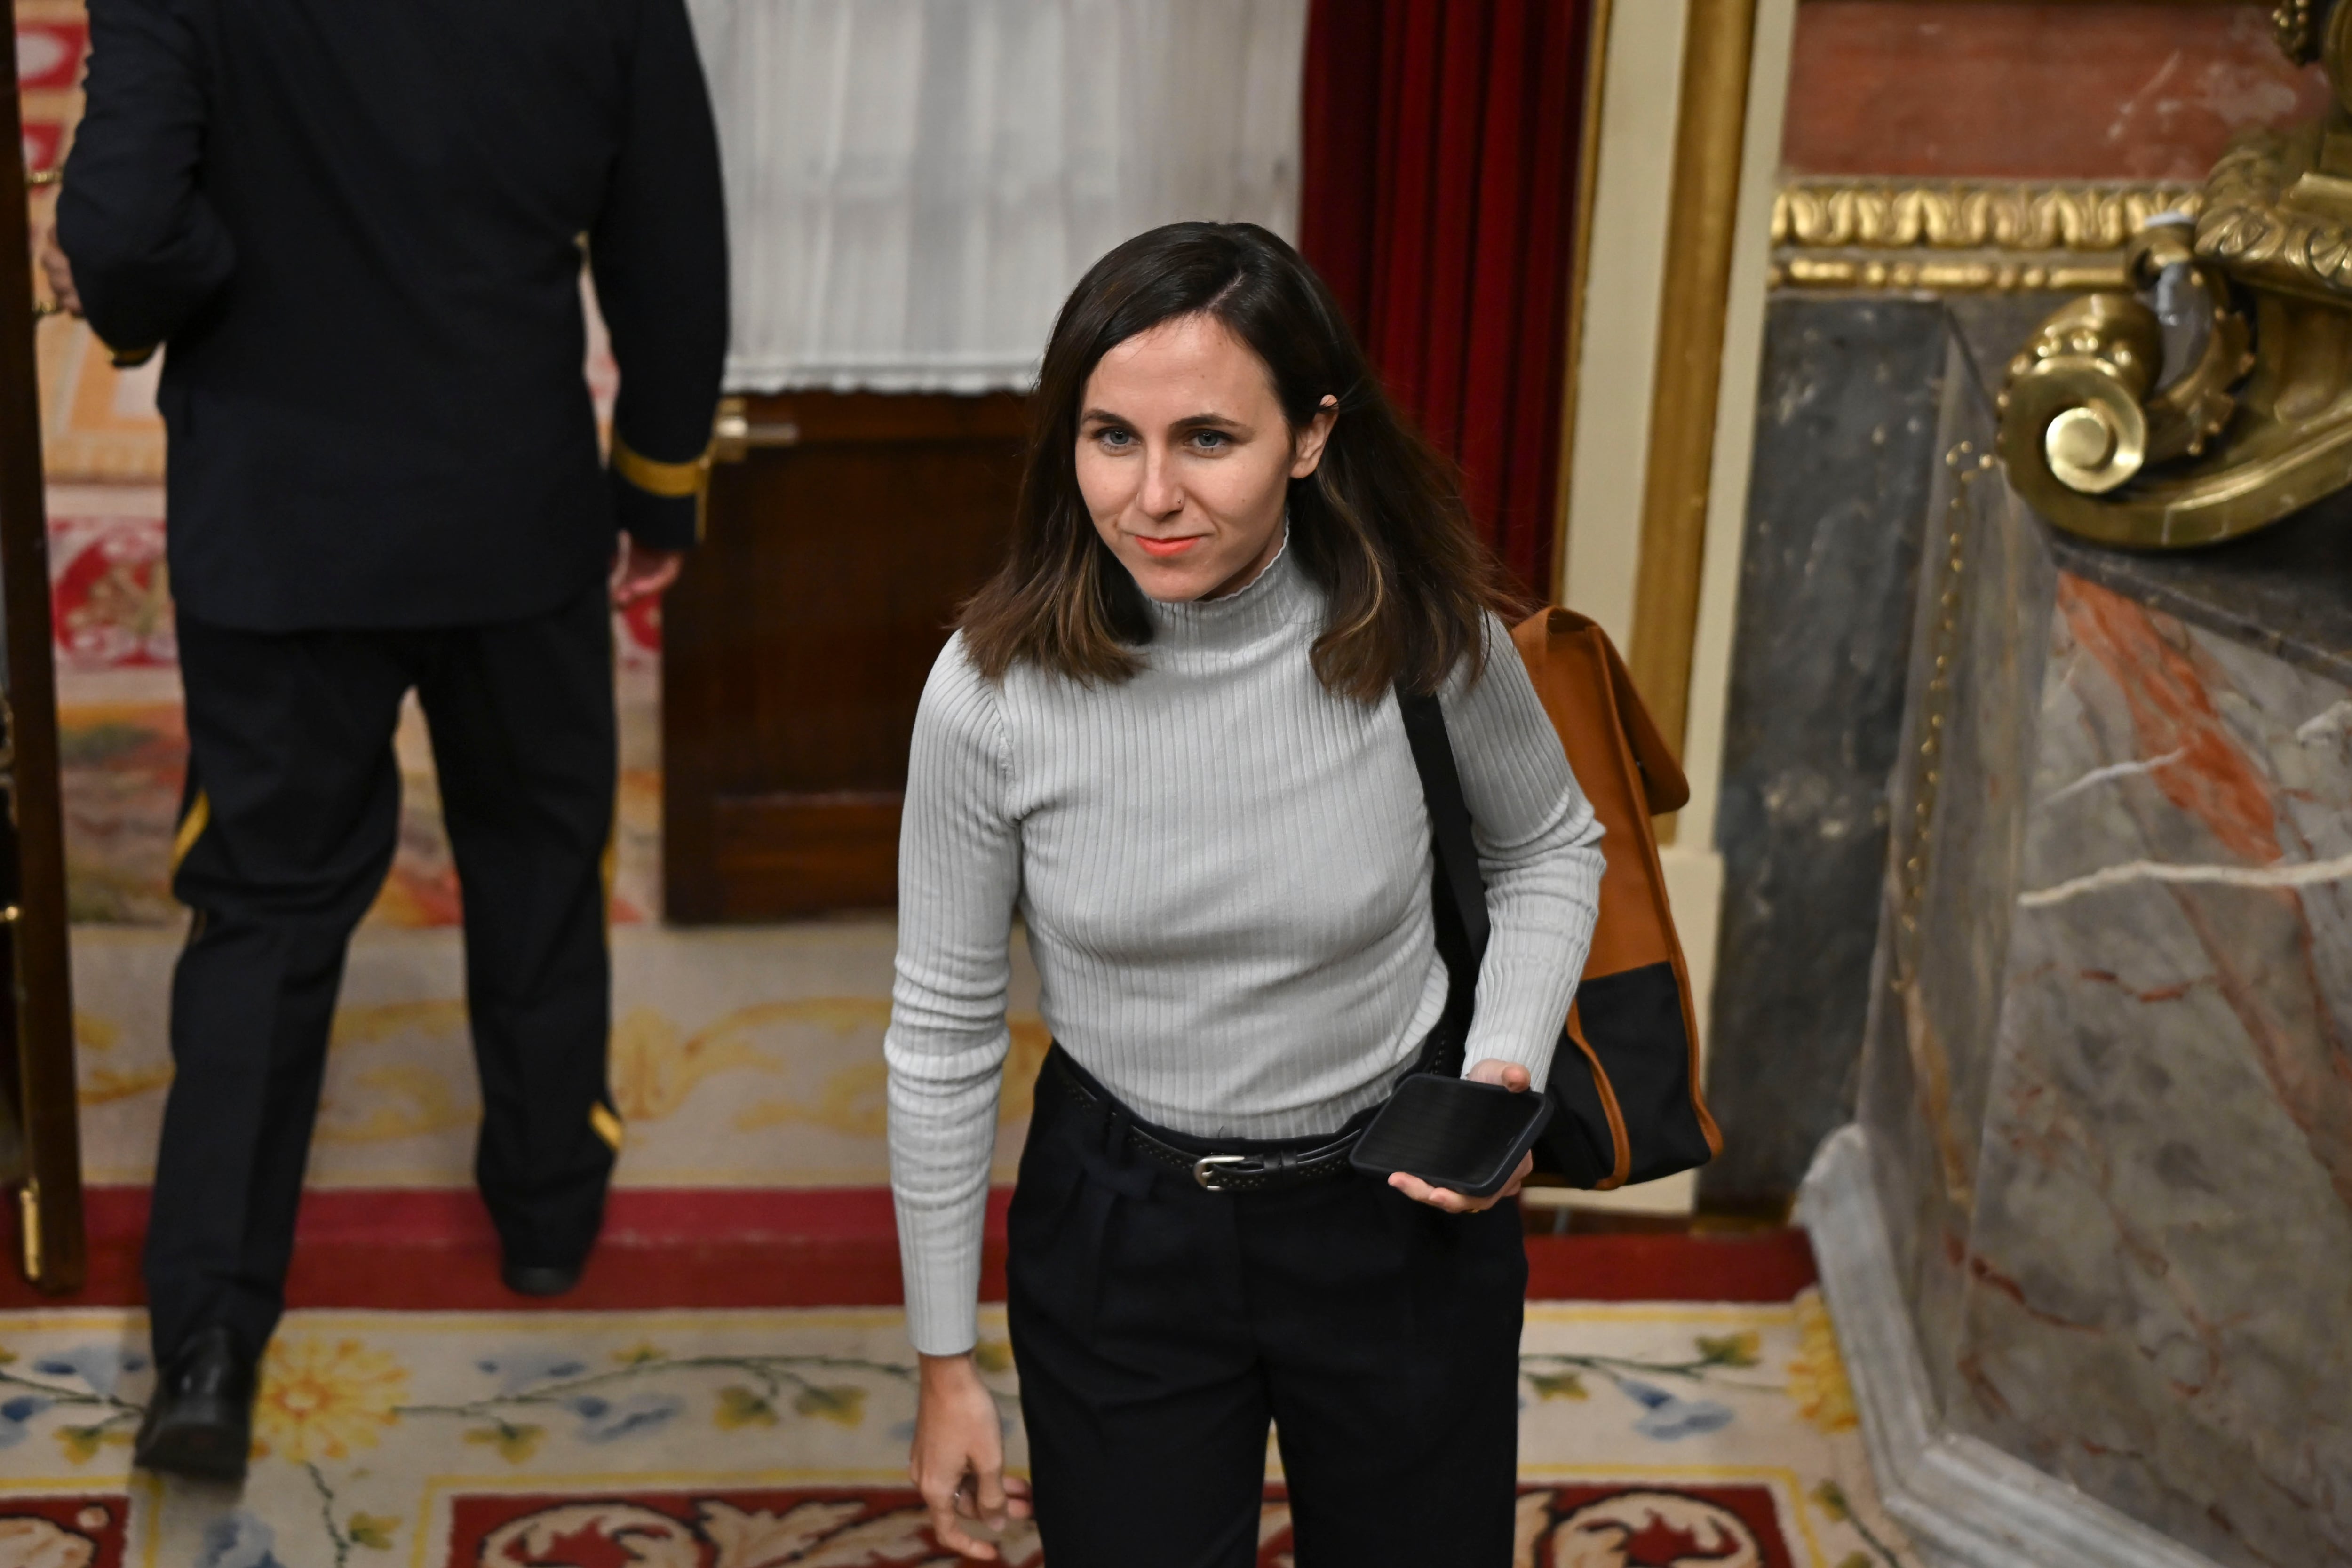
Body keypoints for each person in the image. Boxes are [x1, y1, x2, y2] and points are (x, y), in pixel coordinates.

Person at [47, 0, 727, 1481]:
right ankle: (547, 1218)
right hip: (514, 514)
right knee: (540, 856)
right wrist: (659, 487)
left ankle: (210, 1348)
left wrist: (227, 283)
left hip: (281, 530)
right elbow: (669, 251)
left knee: (264, 908)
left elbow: (116, 237)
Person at [887, 221, 1605, 1566]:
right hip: (1120, 1228)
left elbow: (1550, 849)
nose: (1151, 497)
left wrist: (1499, 1070)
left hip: (1394, 1213)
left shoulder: (1421, 633)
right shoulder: (985, 695)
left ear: (1313, 436)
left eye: (1207, 440)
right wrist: (943, 1367)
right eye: (1112, 438)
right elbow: (941, 1032)